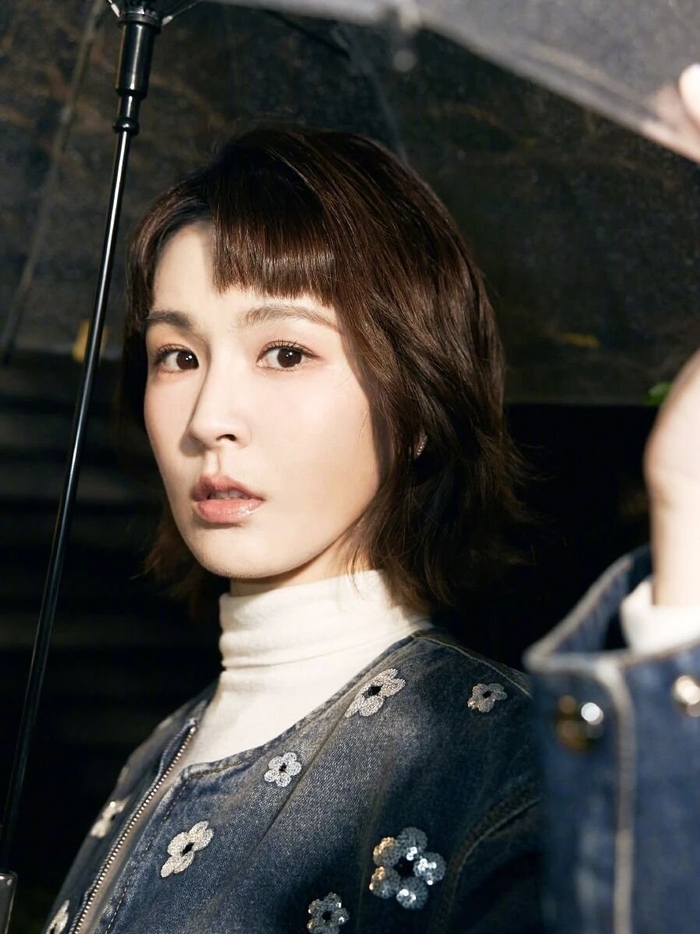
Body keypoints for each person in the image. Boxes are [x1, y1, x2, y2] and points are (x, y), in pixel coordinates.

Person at [40, 68, 700, 934]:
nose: (208, 419)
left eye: (285, 352)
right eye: (179, 356)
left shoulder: (501, 769)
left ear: (416, 403)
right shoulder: (158, 753)